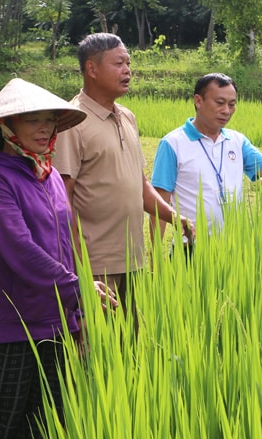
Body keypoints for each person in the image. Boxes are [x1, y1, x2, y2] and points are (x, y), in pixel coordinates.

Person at [0, 80, 96, 439]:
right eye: (32, 120)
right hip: (11, 325)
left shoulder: (49, 175)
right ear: (6, 128)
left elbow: (66, 245)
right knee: (0, 426)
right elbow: (19, 248)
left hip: (55, 322)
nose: (44, 128)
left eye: (50, 120)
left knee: (46, 427)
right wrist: (78, 286)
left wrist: (77, 309)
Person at [58, 33, 177, 315]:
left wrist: (175, 218)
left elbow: (141, 185)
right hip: (96, 264)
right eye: (119, 63)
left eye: (128, 63)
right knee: (96, 348)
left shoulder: (127, 116)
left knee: (129, 345)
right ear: (92, 69)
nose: (127, 70)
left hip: (133, 259)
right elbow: (63, 200)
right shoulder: (72, 121)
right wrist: (79, 266)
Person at [151, 73, 262, 238]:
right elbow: (159, 205)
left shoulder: (236, 141)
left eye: (232, 104)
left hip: (235, 247)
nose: (226, 110)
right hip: (192, 247)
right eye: (220, 102)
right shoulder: (173, 144)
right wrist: (155, 256)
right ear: (198, 101)